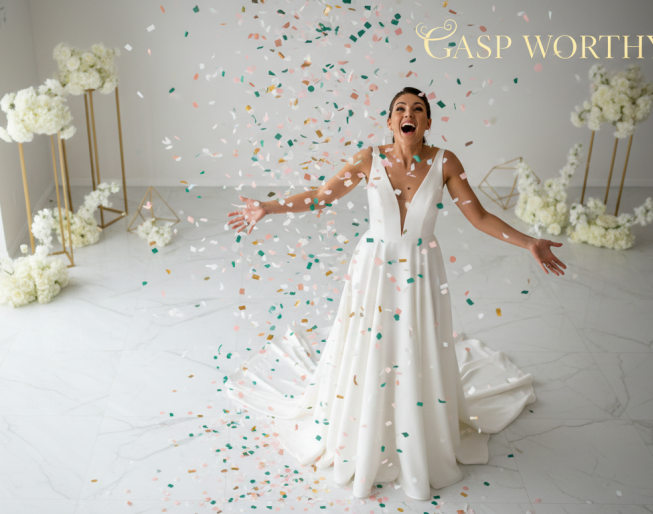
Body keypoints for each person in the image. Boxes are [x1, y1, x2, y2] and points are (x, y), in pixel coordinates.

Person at [224, 86, 565, 501]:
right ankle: (365, 426)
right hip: (373, 268)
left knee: (413, 347)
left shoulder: (445, 162)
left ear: (427, 122)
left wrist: (529, 241)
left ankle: (415, 425)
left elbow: (478, 216)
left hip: (421, 271)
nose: (410, 114)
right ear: (389, 121)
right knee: (372, 346)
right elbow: (319, 197)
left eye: (418, 109)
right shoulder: (369, 159)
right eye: (401, 109)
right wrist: (268, 207)